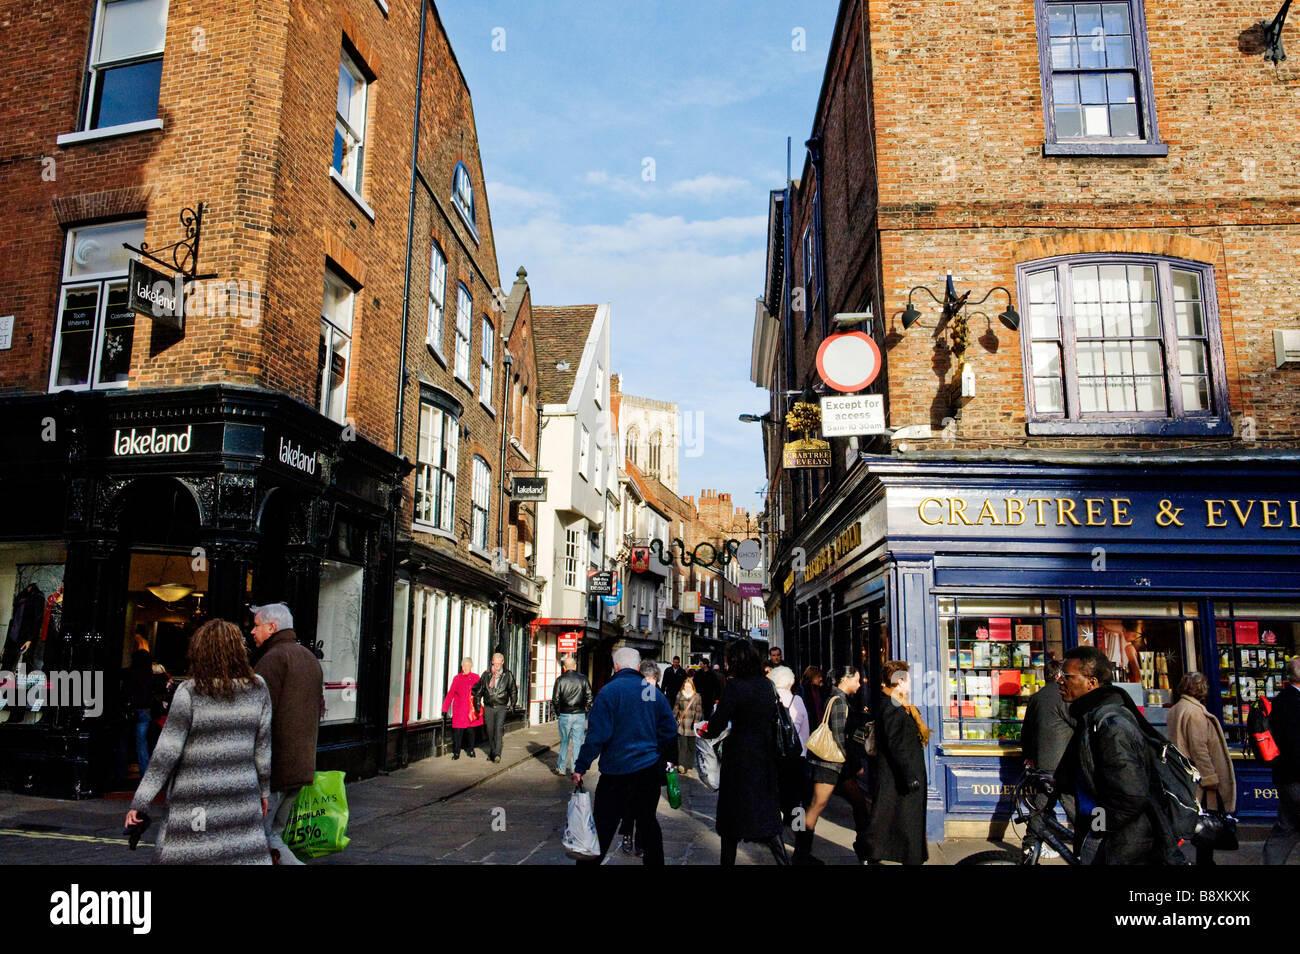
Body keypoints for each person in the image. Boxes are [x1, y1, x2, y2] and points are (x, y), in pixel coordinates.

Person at [124, 619, 272, 864]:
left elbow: (166, 753)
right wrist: (263, 791)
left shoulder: (190, 692)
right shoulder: (258, 688)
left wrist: (141, 802)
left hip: (195, 800)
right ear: (239, 650)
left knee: (191, 854)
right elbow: (263, 748)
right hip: (241, 793)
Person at [1054, 646, 1178, 865]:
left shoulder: (1111, 724)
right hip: (1107, 830)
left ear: (1091, 682)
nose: (1059, 680)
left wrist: (1099, 826)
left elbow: (1130, 795)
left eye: (1067, 676)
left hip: (1120, 839)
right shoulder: (1090, 717)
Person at [572, 647, 677, 866]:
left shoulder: (608, 692)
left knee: (602, 826)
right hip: (646, 771)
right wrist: (654, 749)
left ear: (616, 666)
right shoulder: (651, 692)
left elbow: (596, 736)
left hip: (615, 773)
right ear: (638, 667)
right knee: (648, 825)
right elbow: (669, 729)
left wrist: (581, 766)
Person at [701, 641, 788, 864]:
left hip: (739, 758)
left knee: (732, 821)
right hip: (764, 756)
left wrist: (706, 730)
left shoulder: (734, 686)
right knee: (767, 817)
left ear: (736, 661)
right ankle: (783, 861)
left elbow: (718, 722)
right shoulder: (767, 685)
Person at [250, 602, 323, 866]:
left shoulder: (272, 660)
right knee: (275, 836)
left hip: (275, 770)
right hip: (301, 766)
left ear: (272, 627)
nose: (252, 631)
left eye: (257, 625)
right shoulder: (309, 658)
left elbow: (258, 716)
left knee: (261, 837)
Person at [864, 660, 929, 865]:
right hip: (899, 776)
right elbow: (895, 743)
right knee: (906, 822)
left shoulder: (899, 703)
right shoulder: (893, 705)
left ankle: (874, 854)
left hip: (899, 774)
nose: (910, 683)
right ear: (899, 681)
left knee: (895, 820)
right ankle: (877, 853)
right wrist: (909, 775)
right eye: (908, 679)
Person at [1167, 672, 1236, 865]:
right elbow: (1199, 749)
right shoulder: (1195, 712)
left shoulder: (1177, 709)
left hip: (1184, 776)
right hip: (1199, 779)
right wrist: (1210, 777)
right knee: (1207, 823)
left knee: (1198, 823)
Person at [796, 666, 862, 864]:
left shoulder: (835, 697)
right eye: (856, 680)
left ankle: (866, 849)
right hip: (832, 764)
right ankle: (801, 855)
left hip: (836, 764)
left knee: (858, 804)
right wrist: (850, 761)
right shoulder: (839, 701)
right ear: (845, 680)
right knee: (815, 807)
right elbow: (839, 736)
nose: (859, 685)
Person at [1021, 656, 1077, 825]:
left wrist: (1029, 756)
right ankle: (1090, 844)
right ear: (1060, 676)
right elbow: (1079, 725)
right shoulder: (1065, 696)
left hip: (1042, 764)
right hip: (1063, 765)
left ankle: (1031, 846)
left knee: (1040, 807)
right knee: (1073, 808)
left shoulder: (1036, 698)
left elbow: (1026, 732)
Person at [1263, 656, 1300, 864]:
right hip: (1295, 778)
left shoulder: (1281, 700)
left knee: (1286, 829)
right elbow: (1295, 746)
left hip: (1285, 777)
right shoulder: (1293, 703)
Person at [768, 665, 808, 825]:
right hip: (795, 756)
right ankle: (798, 829)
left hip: (774, 754)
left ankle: (773, 826)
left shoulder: (768, 701)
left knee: (774, 793)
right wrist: (804, 752)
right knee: (796, 796)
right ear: (790, 683)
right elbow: (805, 731)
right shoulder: (797, 701)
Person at [119, 635, 162, 783]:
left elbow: (125, 692)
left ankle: (121, 773)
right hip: (145, 710)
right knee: (142, 743)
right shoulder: (150, 675)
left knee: (123, 742)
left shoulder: (130, 673)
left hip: (130, 709)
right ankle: (145, 775)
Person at [552, 655, 593, 776]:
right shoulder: (583, 679)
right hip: (579, 714)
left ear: (564, 668)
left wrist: (559, 712)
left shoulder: (560, 680)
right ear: (575, 666)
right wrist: (585, 710)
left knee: (564, 741)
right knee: (577, 743)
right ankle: (576, 769)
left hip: (565, 714)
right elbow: (590, 697)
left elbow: (555, 699)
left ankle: (561, 768)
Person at [473, 652, 517, 763]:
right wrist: (477, 704)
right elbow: (479, 690)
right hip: (488, 706)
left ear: (503, 662)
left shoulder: (508, 675)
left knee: (498, 729)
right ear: (492, 662)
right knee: (489, 730)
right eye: (495, 662)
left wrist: (513, 704)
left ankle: (497, 754)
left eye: (499, 663)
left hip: (501, 707)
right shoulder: (486, 674)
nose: (497, 665)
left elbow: (513, 690)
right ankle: (492, 751)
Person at [442, 657, 484, 760]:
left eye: (467, 666)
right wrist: (445, 708)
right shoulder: (457, 678)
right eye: (463, 665)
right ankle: (456, 753)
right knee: (458, 732)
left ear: (471, 666)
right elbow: (451, 693)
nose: (465, 668)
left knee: (471, 731)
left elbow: (480, 691)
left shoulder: (476, 677)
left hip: (470, 710)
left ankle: (471, 749)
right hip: (459, 710)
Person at [673, 677, 703, 777]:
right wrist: (673, 719)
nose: (687, 688)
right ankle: (681, 765)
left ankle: (689, 764)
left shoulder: (697, 696)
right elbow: (676, 708)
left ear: (692, 686)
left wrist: (696, 722)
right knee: (682, 746)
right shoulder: (679, 695)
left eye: (689, 686)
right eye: (686, 686)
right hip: (682, 725)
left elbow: (699, 711)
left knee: (691, 746)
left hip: (692, 725)